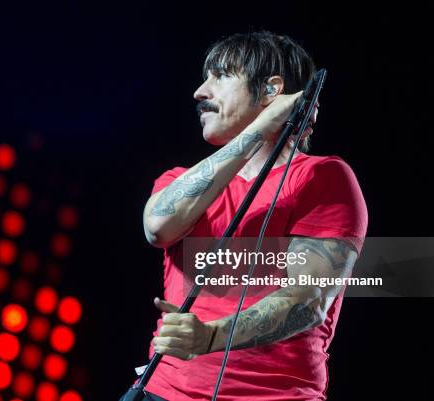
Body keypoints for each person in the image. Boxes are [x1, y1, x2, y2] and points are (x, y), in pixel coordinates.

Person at [140, 31, 368, 401]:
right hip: (164, 391)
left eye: (221, 75)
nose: (200, 92)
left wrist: (210, 336)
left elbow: (306, 300)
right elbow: (158, 228)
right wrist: (260, 128)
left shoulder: (322, 177)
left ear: (271, 91)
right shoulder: (180, 181)